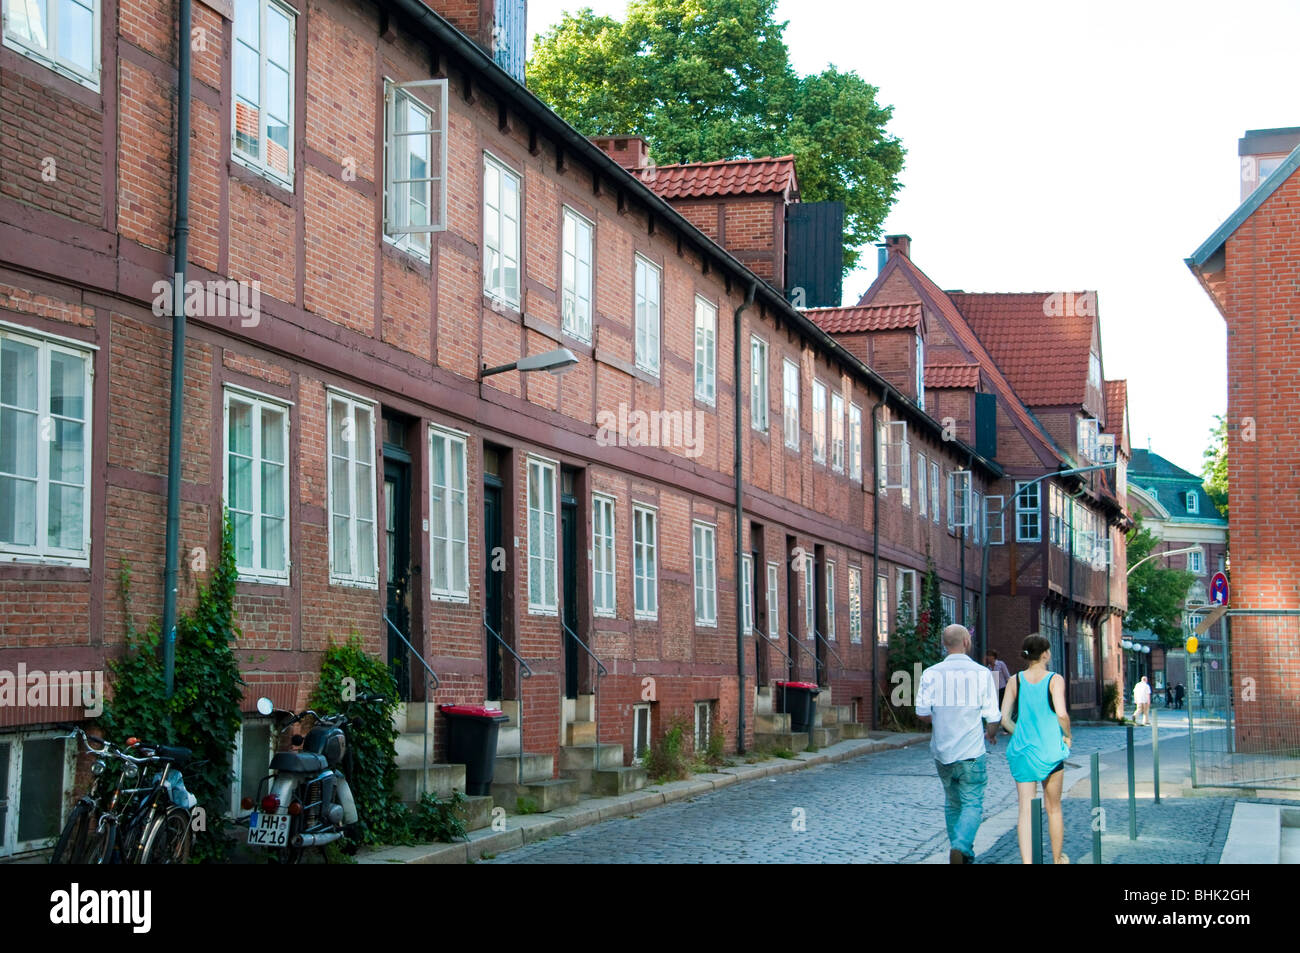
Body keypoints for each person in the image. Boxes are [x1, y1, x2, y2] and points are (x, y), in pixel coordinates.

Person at [916, 624, 1001, 864]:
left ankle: (961, 854)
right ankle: (961, 846)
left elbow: (922, 712)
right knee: (972, 802)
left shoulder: (931, 673)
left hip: (943, 751)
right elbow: (993, 716)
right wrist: (991, 733)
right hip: (971, 752)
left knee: (953, 803)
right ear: (966, 642)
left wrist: (941, 719)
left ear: (945, 644)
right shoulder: (982, 673)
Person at [1002, 633, 1072, 865]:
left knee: (1025, 810)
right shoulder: (1055, 679)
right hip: (1051, 751)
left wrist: (1020, 732)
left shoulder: (1015, 680)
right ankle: (1057, 858)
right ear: (1045, 654)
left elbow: (1004, 719)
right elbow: (1061, 714)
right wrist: (1068, 735)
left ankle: (1027, 862)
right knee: (1053, 808)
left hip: (1023, 752)